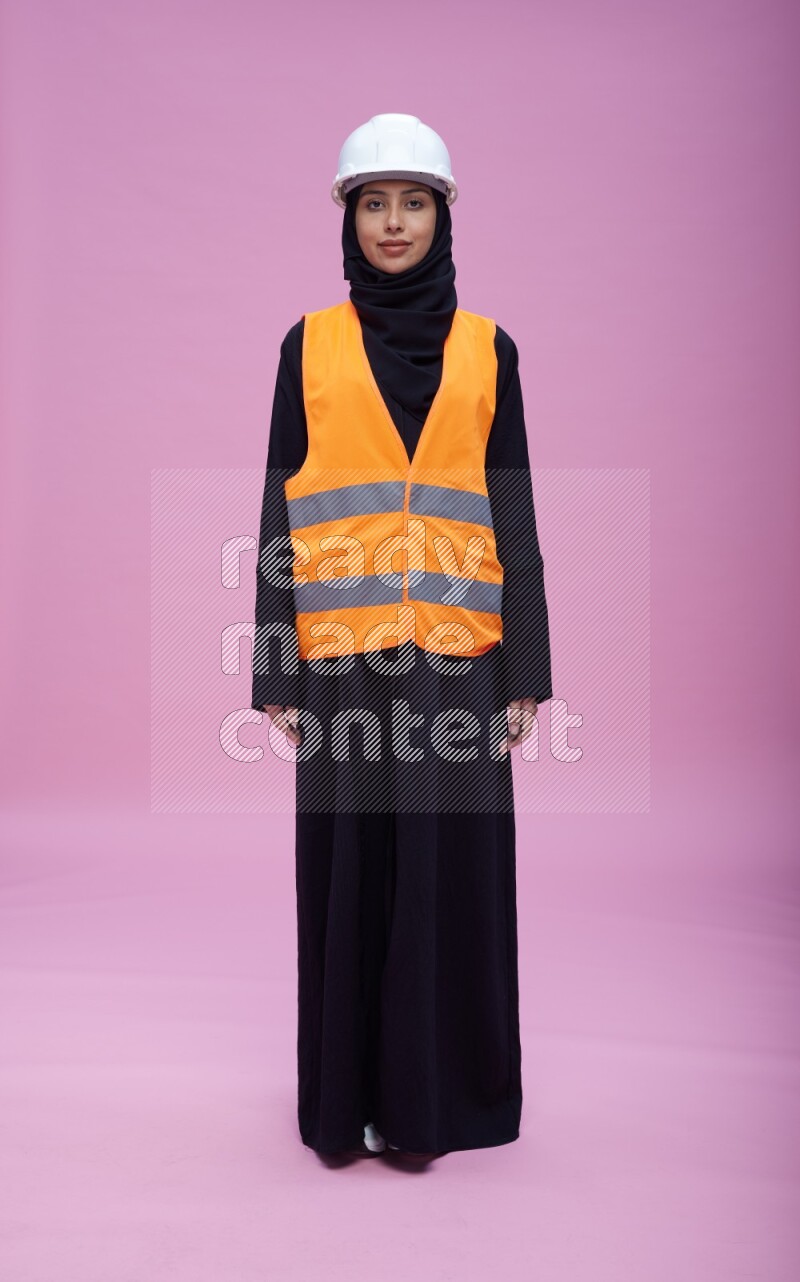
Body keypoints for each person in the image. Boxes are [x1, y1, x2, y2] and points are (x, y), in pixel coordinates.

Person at [252, 113, 552, 1162]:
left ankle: (441, 1104)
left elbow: (510, 512)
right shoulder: (308, 345)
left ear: (442, 216)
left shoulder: (488, 350)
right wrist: (275, 664)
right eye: (372, 203)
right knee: (351, 870)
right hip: (341, 663)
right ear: (348, 216)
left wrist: (528, 668)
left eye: (411, 202)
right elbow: (279, 510)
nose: (391, 223)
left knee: (450, 872)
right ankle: (347, 1103)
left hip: (461, 664)